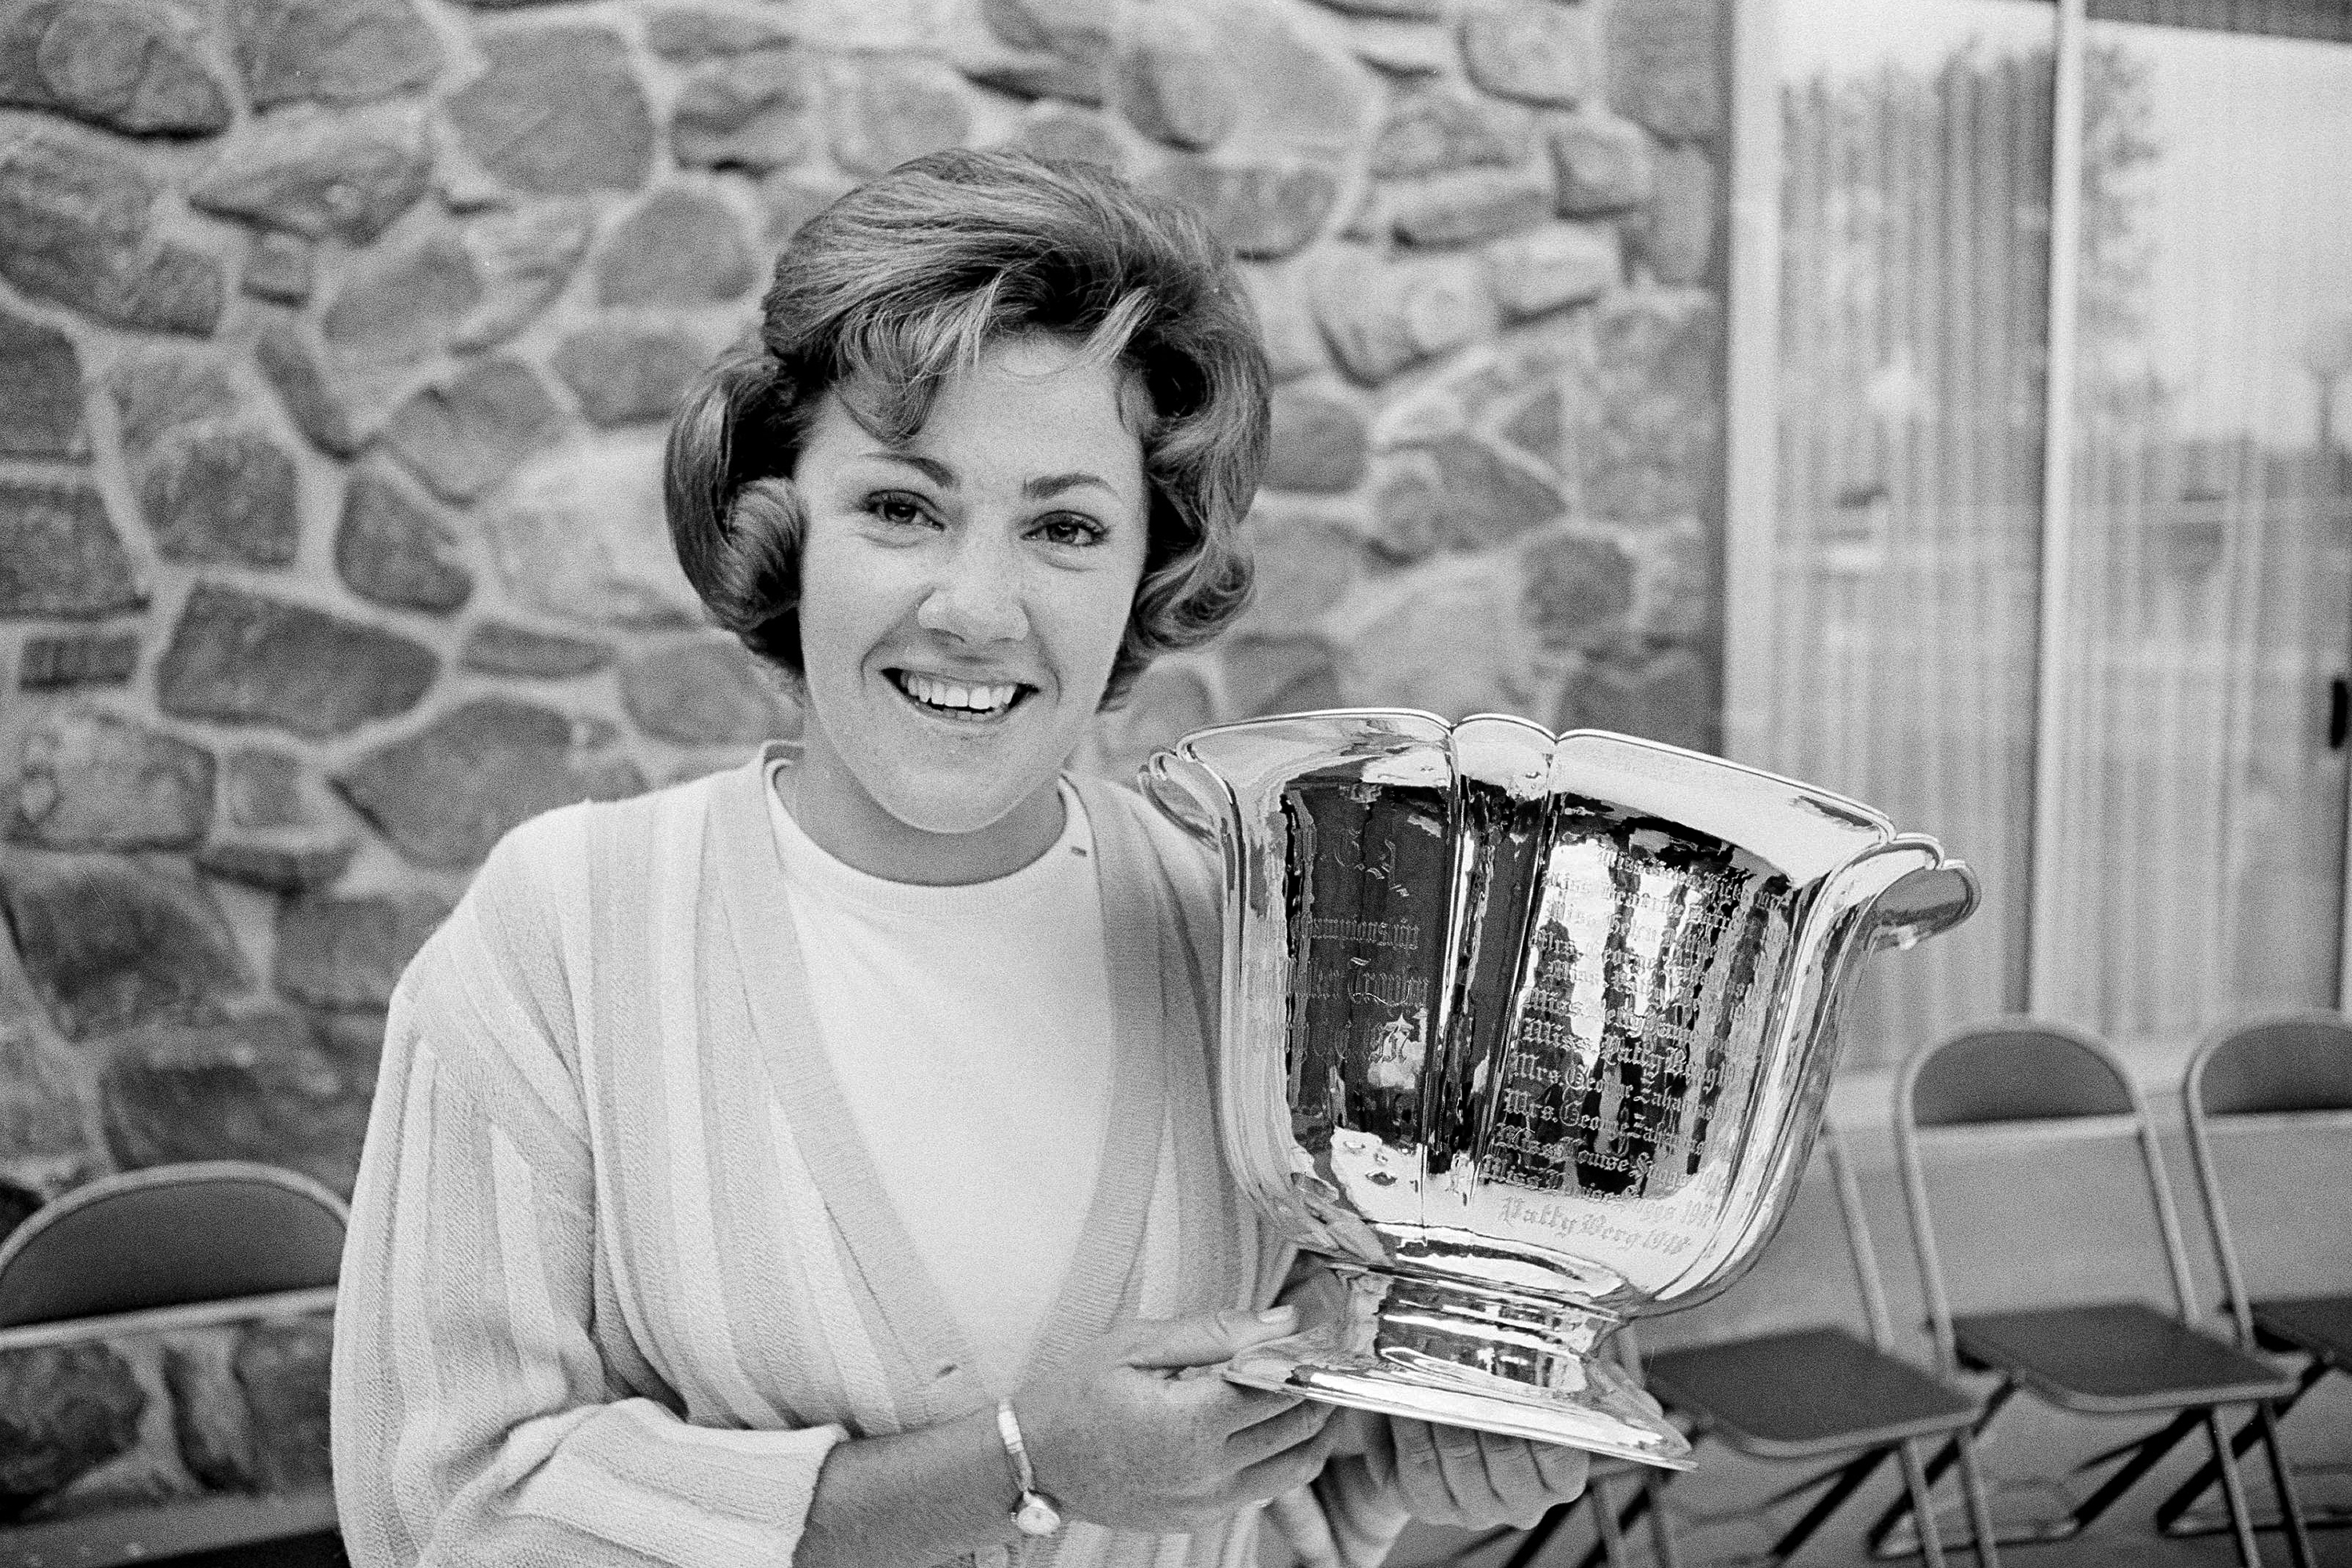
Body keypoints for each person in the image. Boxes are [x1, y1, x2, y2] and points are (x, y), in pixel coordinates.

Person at [329, 149, 1590, 1568]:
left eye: (1064, 527)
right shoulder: (560, 936)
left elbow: (1277, 1500)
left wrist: (1423, 1454)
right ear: (782, 523)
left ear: (1146, 575)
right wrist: (1014, 1468)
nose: (975, 608)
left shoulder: (1260, 950)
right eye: (902, 507)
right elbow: (453, 1511)